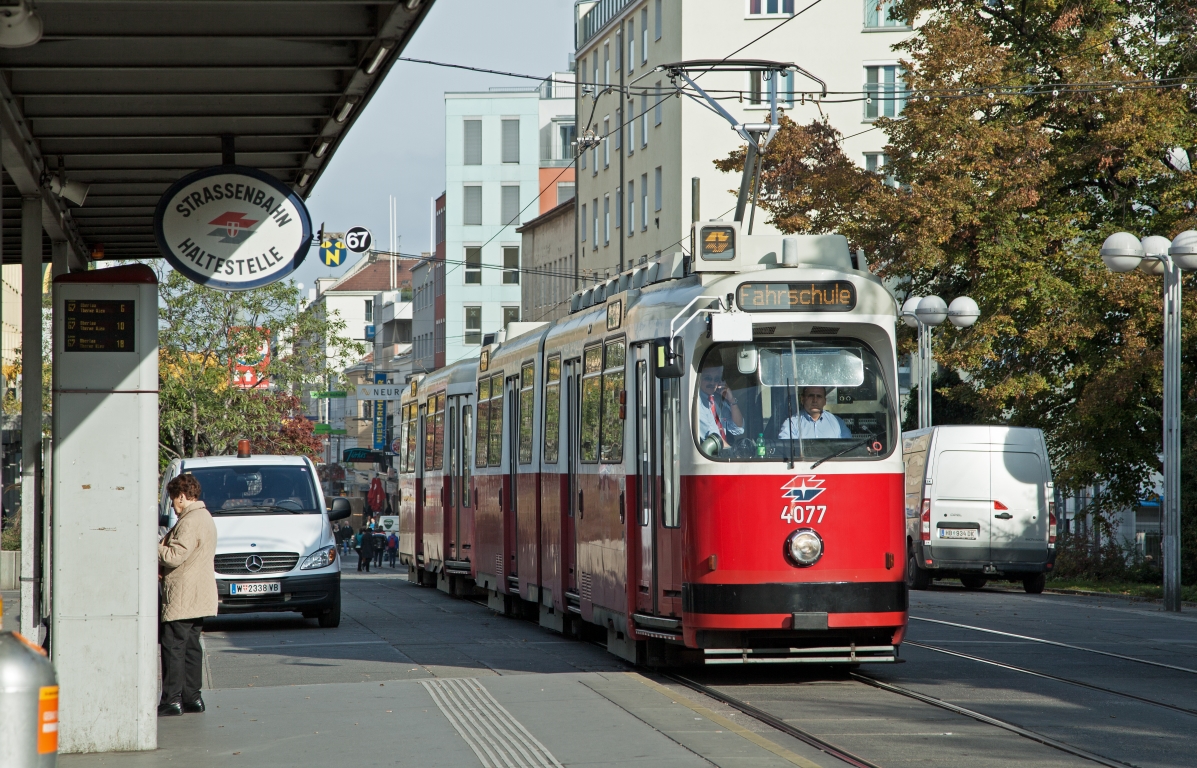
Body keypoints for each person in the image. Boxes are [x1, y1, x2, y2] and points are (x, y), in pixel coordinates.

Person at [158, 473, 217, 717]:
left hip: (183, 594)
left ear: (183, 496)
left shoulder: (191, 520)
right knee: (192, 646)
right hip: (199, 593)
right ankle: (193, 697)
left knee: (174, 646)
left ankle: (172, 700)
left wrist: (154, 546)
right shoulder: (205, 517)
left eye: (174, 499)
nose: (173, 504)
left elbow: (174, 556)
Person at [696, 362, 745, 447]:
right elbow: (712, 435)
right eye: (708, 378)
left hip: (721, 453)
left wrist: (731, 400)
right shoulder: (697, 401)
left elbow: (738, 428)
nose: (712, 383)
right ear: (699, 379)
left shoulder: (718, 400)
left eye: (716, 379)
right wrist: (731, 455)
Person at [777, 386, 852, 440]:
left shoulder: (837, 423)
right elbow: (787, 450)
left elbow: (848, 449)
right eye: (811, 396)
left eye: (819, 396)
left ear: (825, 401)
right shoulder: (792, 424)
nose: (815, 400)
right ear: (802, 399)